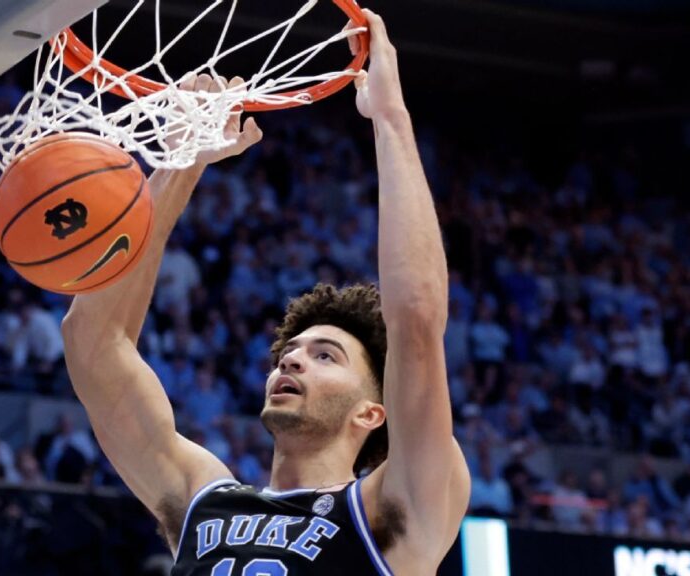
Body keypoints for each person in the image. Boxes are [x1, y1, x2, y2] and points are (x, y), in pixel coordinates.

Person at [61, 10, 469, 575]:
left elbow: (417, 322)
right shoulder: (202, 498)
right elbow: (91, 342)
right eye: (290, 351)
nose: (293, 358)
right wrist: (182, 163)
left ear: (372, 412)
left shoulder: (391, 513)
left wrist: (390, 118)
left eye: (325, 355)